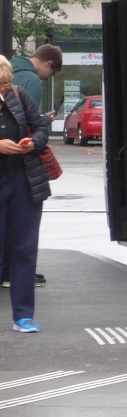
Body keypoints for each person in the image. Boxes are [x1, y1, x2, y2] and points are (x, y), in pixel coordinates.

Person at [0, 56, 51, 332]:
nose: (4, 90)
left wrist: (32, 143)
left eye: (6, 84)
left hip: (24, 182)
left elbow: (41, 127)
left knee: (24, 250)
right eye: (0, 84)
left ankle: (23, 316)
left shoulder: (19, 96)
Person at [5, 44, 58, 290]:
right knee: (24, 237)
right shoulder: (31, 83)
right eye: (52, 73)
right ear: (48, 64)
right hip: (21, 170)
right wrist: (33, 139)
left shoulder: (16, 72)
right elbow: (31, 124)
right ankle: (16, 281)